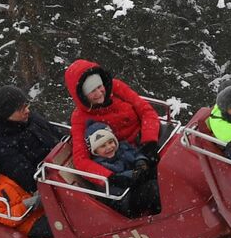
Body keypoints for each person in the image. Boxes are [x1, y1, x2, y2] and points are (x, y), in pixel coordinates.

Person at [63, 59, 162, 189]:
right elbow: (81, 160)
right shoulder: (79, 117)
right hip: (122, 156)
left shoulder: (117, 88)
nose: (99, 93)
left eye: (99, 87)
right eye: (92, 91)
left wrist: (149, 142)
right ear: (83, 95)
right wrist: (109, 177)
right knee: (153, 185)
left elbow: (146, 111)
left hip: (146, 141)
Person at [0, 85, 61, 192]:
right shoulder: (3, 145)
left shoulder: (32, 119)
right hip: (51, 182)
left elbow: (57, 134)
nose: (27, 110)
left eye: (26, 105)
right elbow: (29, 179)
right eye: (21, 109)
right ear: (8, 114)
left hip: (62, 165)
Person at [86, 122, 161, 217]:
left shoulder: (123, 148)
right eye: (103, 146)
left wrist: (141, 162)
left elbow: (136, 154)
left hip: (136, 183)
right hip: (124, 199)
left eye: (110, 142)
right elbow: (113, 184)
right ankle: (163, 209)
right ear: (95, 151)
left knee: (158, 171)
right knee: (153, 187)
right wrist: (132, 175)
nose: (109, 147)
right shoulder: (100, 166)